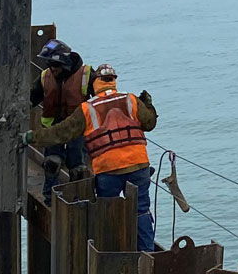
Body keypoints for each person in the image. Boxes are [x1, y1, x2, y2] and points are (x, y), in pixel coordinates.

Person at [27, 63, 160, 251]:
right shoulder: (130, 100)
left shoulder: (87, 108)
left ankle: (111, 252)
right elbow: (149, 123)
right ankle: (147, 255)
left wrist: (32, 137)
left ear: (96, 83)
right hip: (138, 165)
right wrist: (148, 104)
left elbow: (61, 133)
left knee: (108, 210)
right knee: (141, 210)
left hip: (108, 169)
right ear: (114, 81)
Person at [32, 40, 95, 190]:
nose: (52, 69)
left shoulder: (86, 75)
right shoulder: (45, 77)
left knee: (78, 167)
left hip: (77, 129)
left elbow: (102, 99)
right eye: (50, 65)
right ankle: (50, 195)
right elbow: (31, 98)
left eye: (55, 65)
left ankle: (76, 195)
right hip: (53, 127)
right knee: (52, 163)